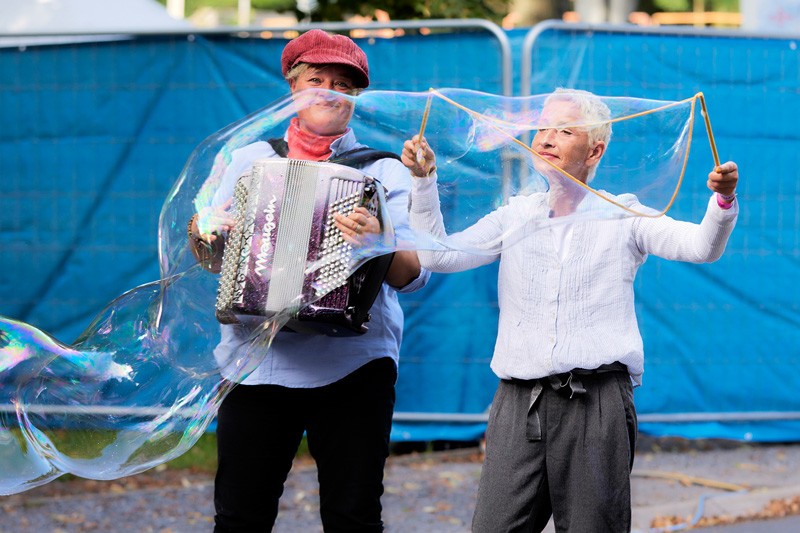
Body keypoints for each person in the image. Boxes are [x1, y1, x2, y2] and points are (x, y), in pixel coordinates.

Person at [401, 88, 739, 532]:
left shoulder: (623, 215)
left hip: (597, 402)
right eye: (542, 127)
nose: (547, 137)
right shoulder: (515, 215)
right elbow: (436, 256)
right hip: (517, 402)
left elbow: (701, 247)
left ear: (595, 149)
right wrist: (424, 182)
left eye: (564, 129)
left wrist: (723, 201)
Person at [188, 30, 429, 532]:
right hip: (255, 364)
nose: (328, 90)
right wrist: (204, 231)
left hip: (354, 366)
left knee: (352, 516)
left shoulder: (384, 170)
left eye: (343, 83)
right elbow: (212, 259)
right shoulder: (251, 159)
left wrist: (379, 239)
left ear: (356, 97)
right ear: (293, 88)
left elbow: (413, 276)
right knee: (239, 516)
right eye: (316, 78)